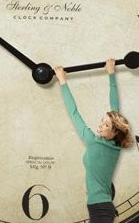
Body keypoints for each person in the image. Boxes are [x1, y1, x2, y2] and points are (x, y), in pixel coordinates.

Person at [54, 59, 133, 223]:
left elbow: (74, 113)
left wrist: (62, 80)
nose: (100, 125)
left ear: (113, 132)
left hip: (101, 209)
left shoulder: (93, 142)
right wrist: (111, 73)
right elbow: (115, 106)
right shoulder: (116, 145)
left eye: (105, 125)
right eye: (102, 120)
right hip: (100, 207)